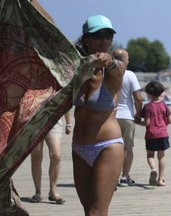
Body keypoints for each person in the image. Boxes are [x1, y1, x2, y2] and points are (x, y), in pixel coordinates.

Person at [73, 15, 125, 215]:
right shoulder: (75, 69)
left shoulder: (114, 69)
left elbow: (117, 68)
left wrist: (110, 62)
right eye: (98, 36)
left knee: (96, 212)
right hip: (79, 147)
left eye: (108, 36)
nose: (104, 41)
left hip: (107, 146)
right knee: (89, 211)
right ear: (86, 39)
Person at [113, 48, 143, 187]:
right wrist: (139, 113)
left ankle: (112, 177)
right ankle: (124, 177)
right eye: (128, 58)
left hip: (111, 116)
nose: (129, 60)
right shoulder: (130, 75)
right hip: (126, 115)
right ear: (123, 60)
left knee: (112, 147)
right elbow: (138, 97)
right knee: (127, 148)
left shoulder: (107, 73)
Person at [30, 112, 72, 204]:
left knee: (56, 156)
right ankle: (37, 192)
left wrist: (68, 123)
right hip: (35, 122)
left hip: (54, 121)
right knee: (36, 157)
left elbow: (65, 100)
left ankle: (53, 190)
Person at [136, 80, 171, 186]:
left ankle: (153, 168)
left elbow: (146, 123)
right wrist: (162, 126)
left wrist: (137, 121)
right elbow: (169, 121)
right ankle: (160, 180)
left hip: (151, 135)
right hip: (163, 134)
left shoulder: (147, 107)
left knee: (150, 155)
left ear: (149, 94)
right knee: (161, 156)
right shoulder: (164, 105)